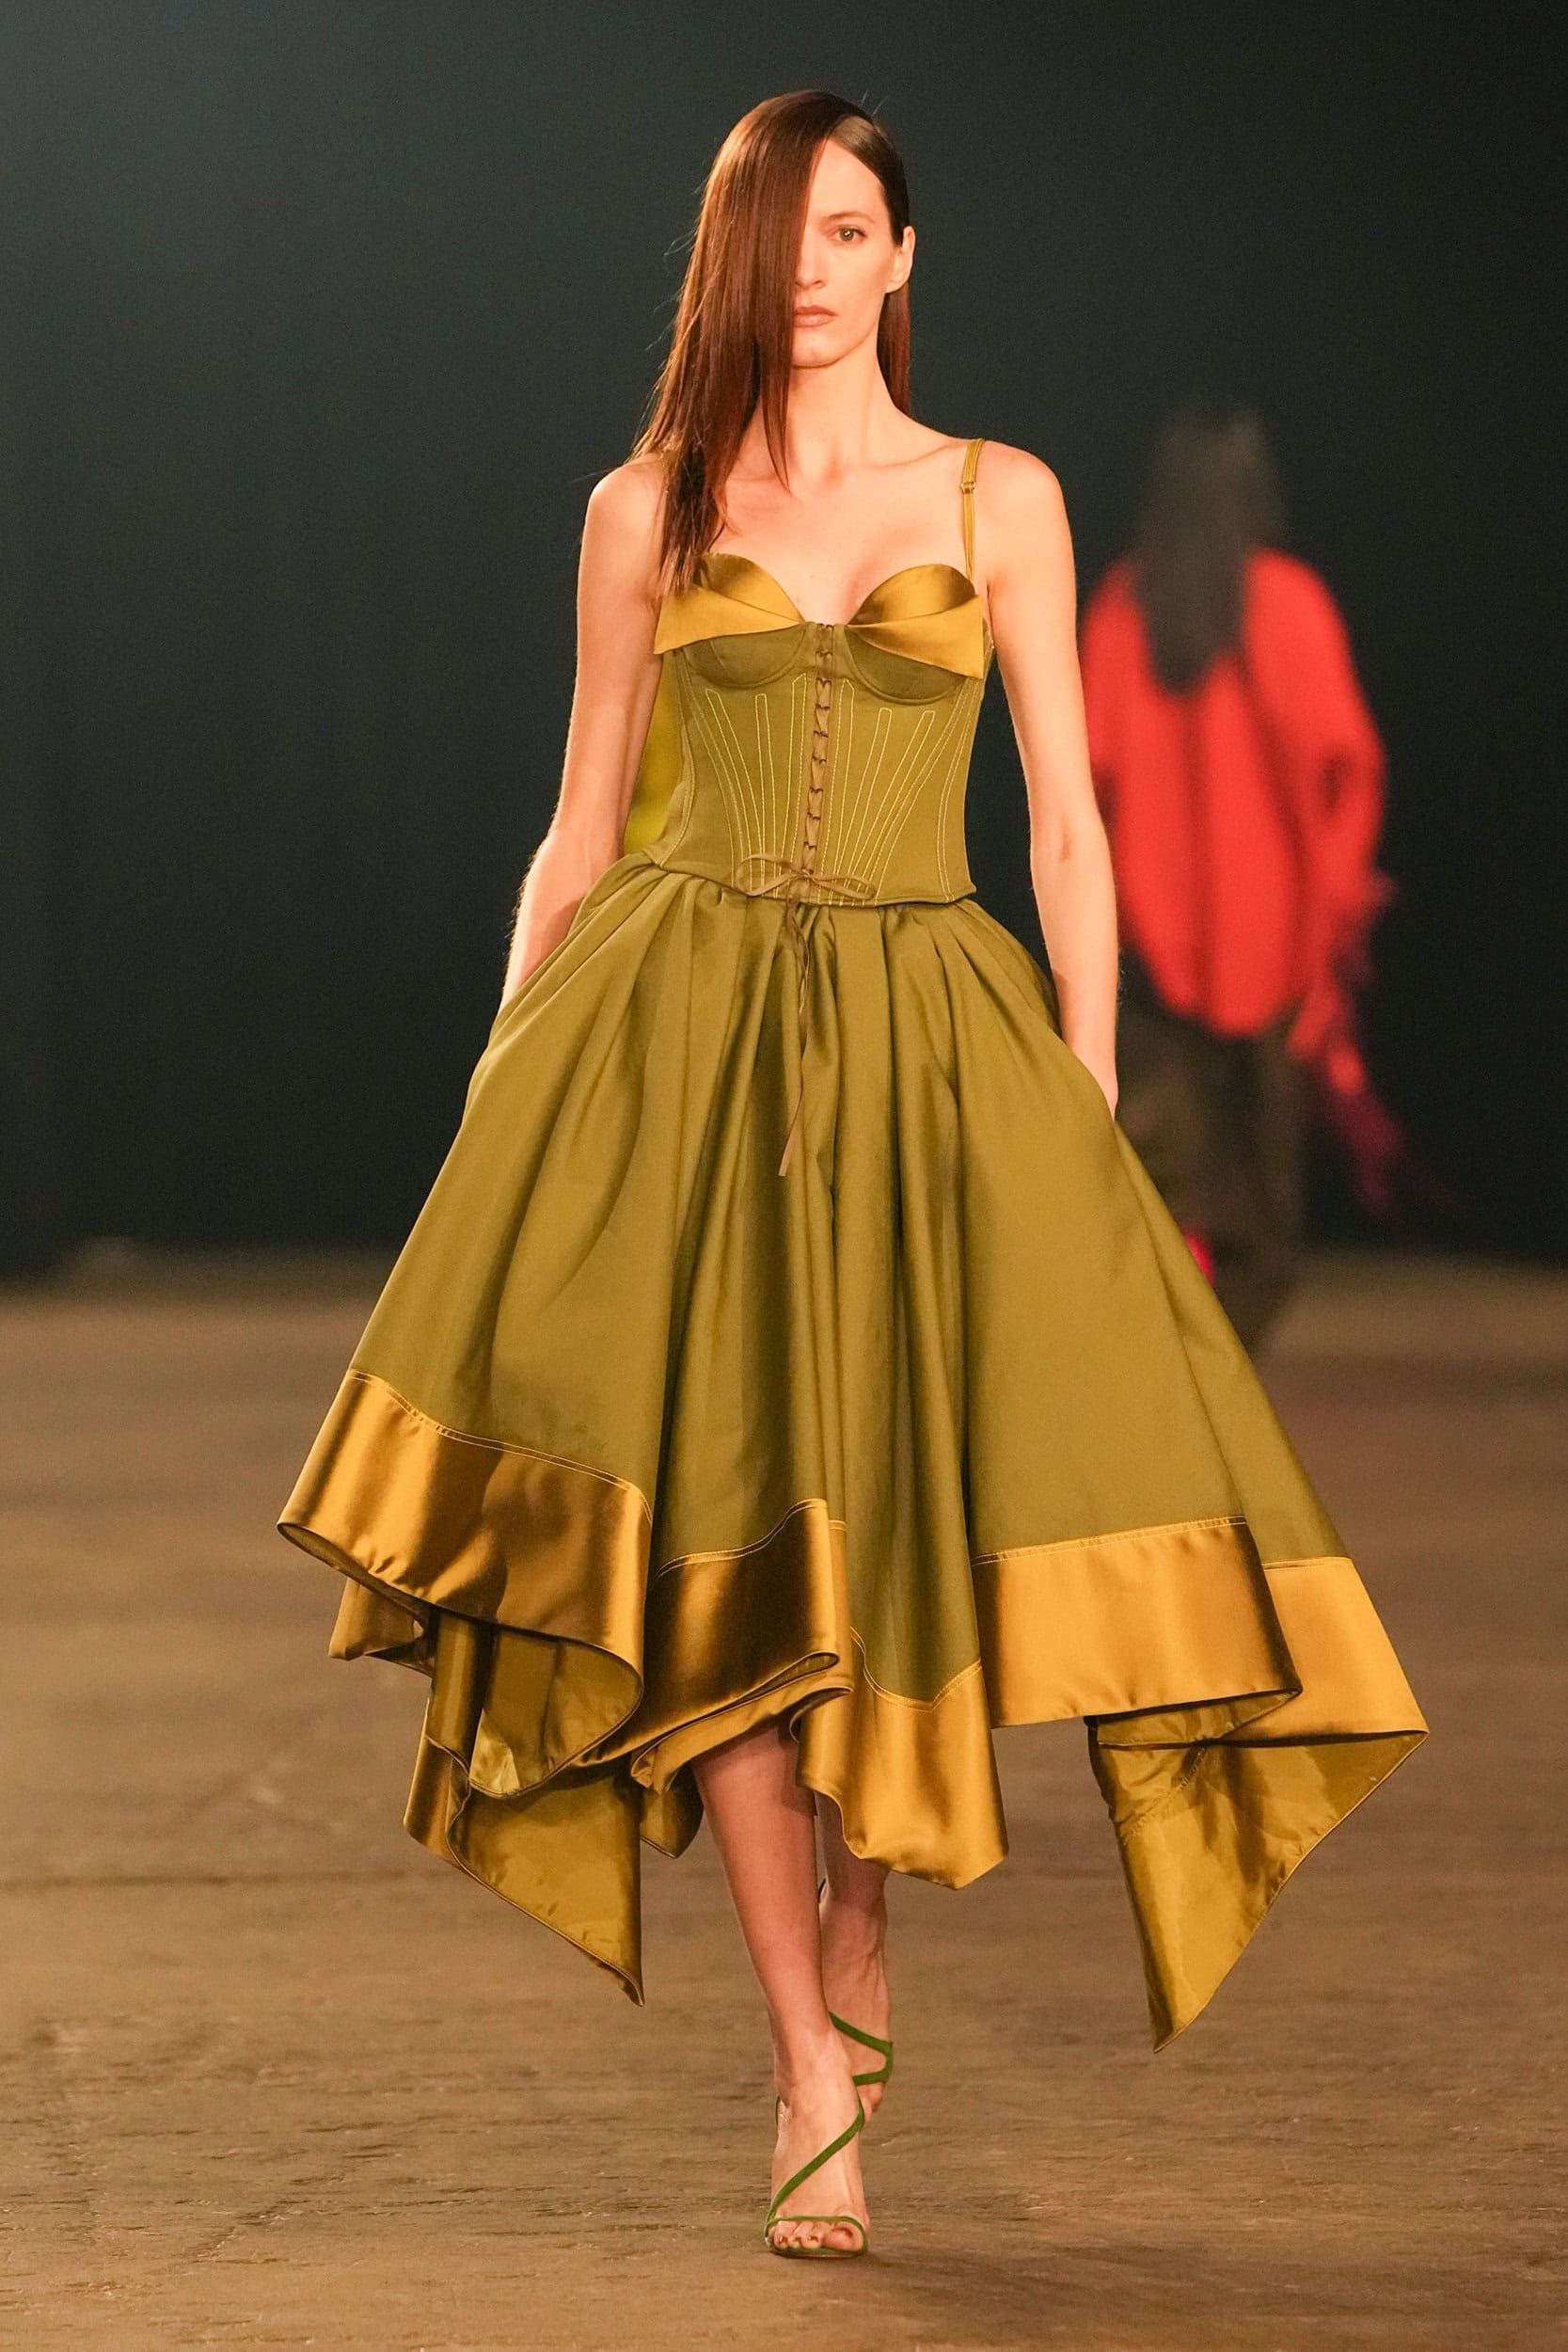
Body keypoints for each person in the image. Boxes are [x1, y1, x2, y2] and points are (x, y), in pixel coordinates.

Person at [277, 94, 1427, 2260]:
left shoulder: (1000, 496)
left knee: (890, 1532)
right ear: (731, 257)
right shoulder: (644, 506)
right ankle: (806, 2051)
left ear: (903, 257)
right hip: (683, 1048)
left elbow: (1065, 822)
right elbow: (583, 817)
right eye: (775, 232)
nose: (807, 269)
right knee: (726, 1545)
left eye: (846, 230)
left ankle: (861, 1913)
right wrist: (505, 1082)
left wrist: (1088, 1085)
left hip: (921, 1043)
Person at [1079, 406, 1394, 1347]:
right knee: (1260, 1212)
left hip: (1147, 940)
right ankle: (1219, 1378)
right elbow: (1350, 770)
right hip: (1277, 950)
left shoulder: (1124, 606)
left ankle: (1172, 1375)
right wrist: (1335, 906)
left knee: (1156, 1192)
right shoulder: (1288, 603)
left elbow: (1087, 781)